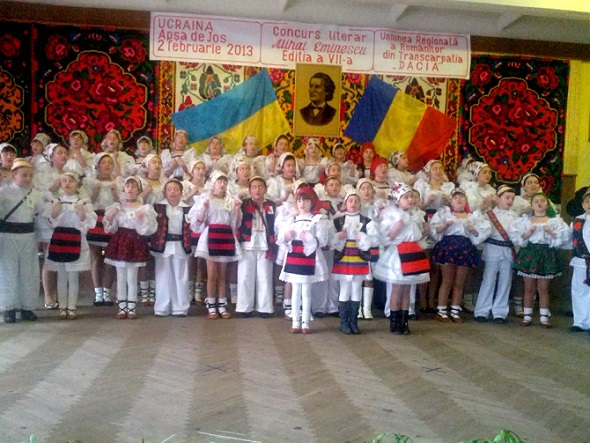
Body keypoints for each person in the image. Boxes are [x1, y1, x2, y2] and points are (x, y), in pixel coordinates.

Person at [373, 183, 431, 334]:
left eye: (412, 197)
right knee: (398, 289)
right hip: (399, 253)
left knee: (407, 289)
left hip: (413, 251)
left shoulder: (416, 214)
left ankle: (404, 322)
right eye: (406, 197)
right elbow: (386, 236)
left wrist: (425, 230)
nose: (411, 200)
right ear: (398, 200)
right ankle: (394, 322)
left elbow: (419, 235)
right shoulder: (392, 215)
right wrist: (396, 228)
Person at [430, 188, 491, 323]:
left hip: (464, 249)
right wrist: (446, 225)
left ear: (466, 200)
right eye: (455, 197)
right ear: (451, 202)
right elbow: (435, 231)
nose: (459, 199)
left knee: (459, 282)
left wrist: (472, 229)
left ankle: (455, 311)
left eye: (461, 197)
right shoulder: (445, 214)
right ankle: (441, 311)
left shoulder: (472, 216)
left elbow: (479, 235)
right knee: (447, 280)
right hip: (448, 247)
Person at [510, 192, 570, 328]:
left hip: (546, 254)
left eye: (542, 201)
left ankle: (544, 318)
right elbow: (518, 238)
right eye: (536, 201)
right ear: (531, 205)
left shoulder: (554, 221)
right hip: (530, 253)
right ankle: (527, 316)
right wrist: (528, 233)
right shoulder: (525, 221)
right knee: (528, 288)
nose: (539, 203)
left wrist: (550, 232)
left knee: (543, 289)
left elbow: (561, 240)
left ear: (547, 204)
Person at [43, 172, 97, 319]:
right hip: (59, 239)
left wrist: (82, 214)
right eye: (64, 181)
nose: (67, 183)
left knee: (73, 275)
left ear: (77, 184)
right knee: (61, 275)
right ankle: (62, 307)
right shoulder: (57, 201)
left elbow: (90, 222)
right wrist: (54, 213)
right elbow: (48, 222)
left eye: (71, 181)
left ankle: (72, 307)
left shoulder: (83, 202)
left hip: (76, 239)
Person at [277, 185, 331, 334]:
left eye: (306, 201)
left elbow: (322, 241)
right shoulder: (292, 219)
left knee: (306, 291)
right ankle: (295, 322)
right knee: (295, 291)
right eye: (299, 200)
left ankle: (305, 322)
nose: (302, 204)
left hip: (309, 259)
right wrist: (286, 237)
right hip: (294, 257)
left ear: (312, 202)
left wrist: (310, 238)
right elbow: (283, 240)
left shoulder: (317, 219)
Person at [103, 176, 158, 319]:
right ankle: (122, 307)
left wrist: (141, 218)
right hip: (120, 241)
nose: (130, 189)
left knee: (132, 276)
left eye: (133, 186)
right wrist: (110, 216)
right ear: (124, 188)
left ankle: (132, 308)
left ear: (139, 190)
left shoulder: (144, 208)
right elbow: (111, 227)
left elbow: (146, 230)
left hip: (135, 241)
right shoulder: (118, 206)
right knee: (121, 276)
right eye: (128, 186)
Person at [190, 171, 242, 319]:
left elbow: (234, 224)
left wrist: (237, 210)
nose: (222, 184)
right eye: (219, 181)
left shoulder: (230, 200)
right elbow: (197, 222)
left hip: (225, 235)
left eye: (224, 182)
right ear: (213, 183)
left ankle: (222, 305)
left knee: (222, 275)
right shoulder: (206, 199)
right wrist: (204, 208)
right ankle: (211, 305)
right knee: (212, 274)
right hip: (212, 235)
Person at [0, 159, 44, 323]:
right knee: (8, 272)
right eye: (24, 175)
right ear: (14, 176)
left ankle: (27, 307)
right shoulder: (4, 192)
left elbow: (43, 212)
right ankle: (8, 308)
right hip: (8, 237)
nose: (28, 178)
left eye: (30, 175)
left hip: (28, 237)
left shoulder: (35, 193)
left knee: (29, 272)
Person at [331, 189, 377, 334]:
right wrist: (338, 237)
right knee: (345, 288)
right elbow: (331, 240)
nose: (353, 203)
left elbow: (374, 240)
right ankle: (344, 322)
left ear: (360, 204)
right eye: (350, 200)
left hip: (359, 257)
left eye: (357, 201)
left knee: (357, 288)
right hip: (343, 257)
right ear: (345, 203)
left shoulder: (366, 221)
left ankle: (354, 322)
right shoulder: (338, 220)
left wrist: (363, 239)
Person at [473, 185, 518, 323]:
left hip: (508, 250)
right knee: (488, 279)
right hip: (492, 249)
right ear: (498, 199)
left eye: (512, 198)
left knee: (505, 281)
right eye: (507, 198)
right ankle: (482, 311)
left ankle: (500, 312)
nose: (510, 201)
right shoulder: (489, 214)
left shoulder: (516, 216)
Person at [150, 179, 193, 317]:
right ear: (165, 192)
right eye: (169, 189)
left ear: (181, 192)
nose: (172, 192)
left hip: (181, 244)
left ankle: (180, 307)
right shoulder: (158, 207)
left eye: (175, 189)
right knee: (162, 276)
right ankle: (162, 307)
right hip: (163, 245)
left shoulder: (187, 208)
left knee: (181, 276)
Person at [236, 176, 277, 318]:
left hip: (266, 245)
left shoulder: (271, 205)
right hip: (247, 243)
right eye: (254, 187)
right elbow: (237, 221)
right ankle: (244, 307)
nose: (257, 190)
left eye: (260, 186)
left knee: (265, 277)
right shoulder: (243, 204)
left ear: (265, 189)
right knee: (245, 277)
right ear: (249, 190)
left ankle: (265, 308)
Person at [569, 188, 590, 333]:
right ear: (582, 204)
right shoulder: (577, 221)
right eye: (587, 201)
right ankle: (580, 321)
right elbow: (570, 240)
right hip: (581, 260)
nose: (589, 204)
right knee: (578, 290)